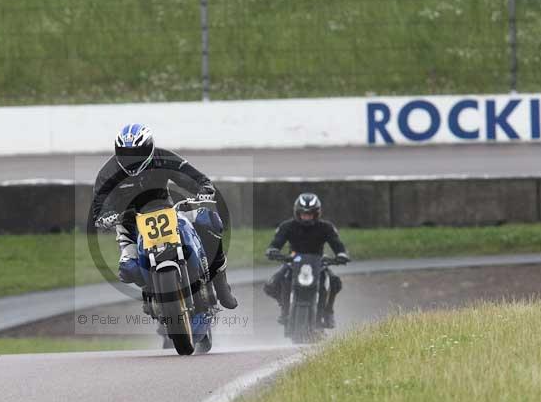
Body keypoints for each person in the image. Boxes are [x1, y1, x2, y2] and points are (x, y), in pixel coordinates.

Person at [90, 123, 237, 309]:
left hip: (167, 211)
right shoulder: (107, 173)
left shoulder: (163, 157)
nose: (131, 159)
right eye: (125, 153)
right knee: (128, 269)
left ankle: (221, 286)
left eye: (136, 153)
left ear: (149, 148)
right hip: (128, 221)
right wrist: (105, 216)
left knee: (209, 221)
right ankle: (150, 294)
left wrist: (203, 188)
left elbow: (192, 176)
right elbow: (99, 204)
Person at [263, 192, 350, 327]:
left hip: (319, 263)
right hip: (293, 261)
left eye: (310, 214)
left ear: (317, 213)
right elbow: (276, 242)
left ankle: (328, 312)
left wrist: (341, 254)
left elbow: (336, 243)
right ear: (297, 213)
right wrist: (273, 251)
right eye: (303, 213)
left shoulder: (326, 227)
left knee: (335, 282)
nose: (306, 217)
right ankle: (285, 308)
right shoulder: (287, 226)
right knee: (271, 284)